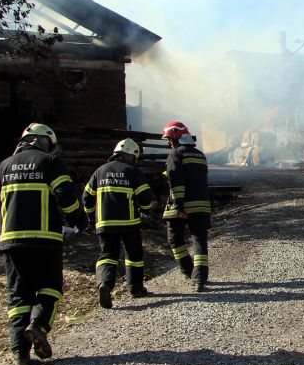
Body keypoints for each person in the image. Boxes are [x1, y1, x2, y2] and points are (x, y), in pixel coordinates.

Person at [0, 123, 88, 365]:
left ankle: (20, 353)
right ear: (45, 142)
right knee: (49, 288)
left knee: (19, 295)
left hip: (12, 242)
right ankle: (38, 325)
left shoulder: (4, 166)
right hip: (45, 240)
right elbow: (66, 196)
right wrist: (78, 221)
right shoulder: (49, 162)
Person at [82, 138, 155, 307]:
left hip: (104, 223)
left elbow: (86, 197)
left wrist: (91, 216)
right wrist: (145, 211)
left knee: (107, 255)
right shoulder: (132, 171)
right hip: (129, 223)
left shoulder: (100, 171)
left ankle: (104, 284)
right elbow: (145, 197)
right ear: (130, 155)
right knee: (134, 255)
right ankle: (135, 288)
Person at [160, 121, 211, 291]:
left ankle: (189, 271)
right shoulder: (200, 155)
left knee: (174, 238)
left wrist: (179, 206)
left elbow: (177, 182)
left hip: (182, 206)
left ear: (176, 138)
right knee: (199, 240)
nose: (168, 143)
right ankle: (200, 277)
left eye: (169, 139)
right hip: (202, 206)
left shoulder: (176, 154)